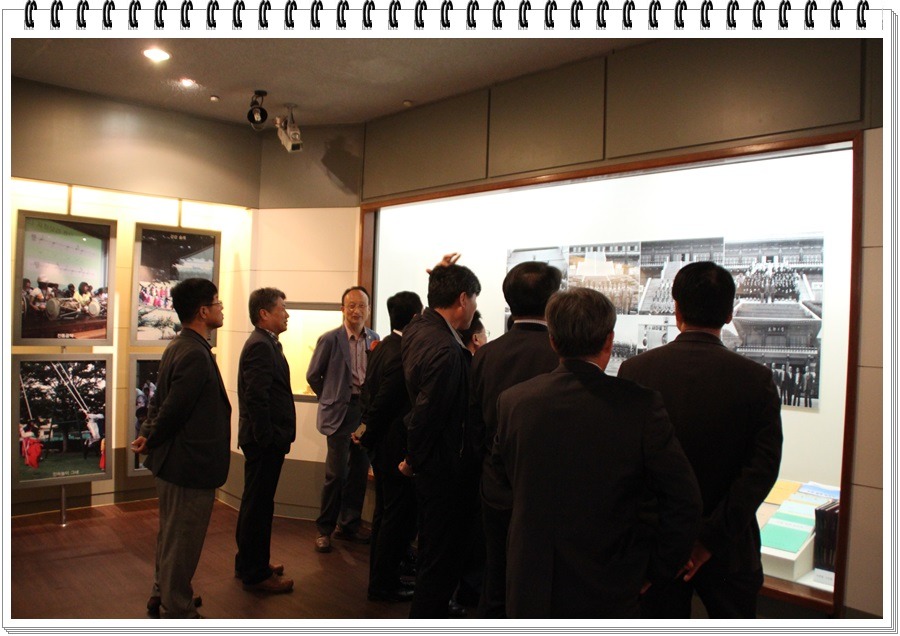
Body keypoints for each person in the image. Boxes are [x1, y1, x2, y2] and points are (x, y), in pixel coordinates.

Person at [491, 287, 702, 618]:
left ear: (553, 341)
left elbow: (496, 489)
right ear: (609, 340)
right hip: (611, 581)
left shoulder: (514, 401)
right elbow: (684, 500)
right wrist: (656, 569)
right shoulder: (641, 406)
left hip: (532, 578)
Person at [619, 261, 783, 619]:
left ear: (676, 309)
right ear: (729, 313)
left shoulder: (636, 371)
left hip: (657, 544)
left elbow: (627, 464)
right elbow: (762, 469)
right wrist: (708, 540)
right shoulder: (756, 379)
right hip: (730, 547)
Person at [132, 278, 231, 619]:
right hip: (188, 464)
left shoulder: (181, 345)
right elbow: (173, 408)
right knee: (183, 539)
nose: (221, 308)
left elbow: (160, 401)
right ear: (203, 311)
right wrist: (152, 436)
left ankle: (163, 592)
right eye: (217, 302)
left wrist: (148, 434)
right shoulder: (194, 353)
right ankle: (178, 607)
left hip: (176, 462)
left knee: (172, 535)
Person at [471, 260, 562, 618]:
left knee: (496, 580)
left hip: (496, 485)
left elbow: (476, 424)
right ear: (553, 301)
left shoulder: (486, 354)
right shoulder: (560, 356)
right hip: (550, 490)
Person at [402, 263, 482, 618]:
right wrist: (413, 459)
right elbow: (427, 415)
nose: (475, 308)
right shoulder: (447, 350)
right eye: (474, 299)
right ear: (463, 299)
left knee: (433, 553)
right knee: (439, 559)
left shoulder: (418, 327)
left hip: (432, 465)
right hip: (443, 469)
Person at [357, 291, 423, 603]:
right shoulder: (400, 352)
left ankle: (380, 577)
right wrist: (367, 433)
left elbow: (368, 393)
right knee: (394, 517)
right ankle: (384, 583)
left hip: (382, 445)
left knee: (384, 514)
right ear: (414, 317)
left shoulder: (384, 346)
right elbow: (384, 401)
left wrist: (366, 433)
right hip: (393, 446)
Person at [307, 286, 380, 553]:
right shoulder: (330, 339)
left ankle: (349, 525)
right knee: (336, 474)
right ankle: (324, 529)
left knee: (359, 471)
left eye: (361, 306)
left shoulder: (375, 339)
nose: (356, 311)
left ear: (368, 310)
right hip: (340, 411)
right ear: (342, 309)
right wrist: (330, 397)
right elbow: (313, 375)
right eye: (351, 305)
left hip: (364, 411)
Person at [234, 287, 296, 593]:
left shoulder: (266, 342)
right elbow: (256, 396)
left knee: (255, 503)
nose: (287, 314)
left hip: (263, 439)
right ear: (264, 313)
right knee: (258, 507)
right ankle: (256, 573)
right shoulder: (261, 345)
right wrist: (267, 438)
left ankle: (249, 562)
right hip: (264, 442)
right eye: (281, 309)